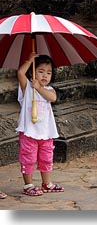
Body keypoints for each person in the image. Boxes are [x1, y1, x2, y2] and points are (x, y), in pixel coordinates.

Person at [16, 52, 64, 196]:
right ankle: (28, 185)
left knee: (46, 157)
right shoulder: (27, 88)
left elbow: (52, 98)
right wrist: (29, 61)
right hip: (29, 131)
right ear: (32, 72)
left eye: (48, 73)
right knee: (28, 157)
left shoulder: (48, 90)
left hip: (46, 132)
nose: (45, 75)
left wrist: (39, 88)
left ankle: (47, 183)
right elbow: (20, 72)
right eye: (41, 71)